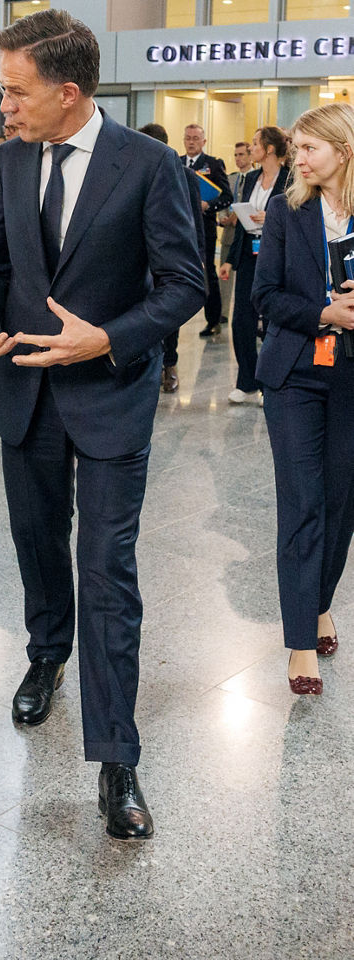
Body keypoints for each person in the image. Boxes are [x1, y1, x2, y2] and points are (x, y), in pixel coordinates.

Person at [0, 9, 204, 840]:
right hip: (25, 390)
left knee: (108, 572)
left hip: (109, 395)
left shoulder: (149, 166)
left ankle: (116, 757)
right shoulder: (8, 161)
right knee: (36, 541)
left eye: (15, 91)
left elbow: (185, 285)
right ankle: (45, 652)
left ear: (68, 94)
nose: (5, 107)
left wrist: (108, 337)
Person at [252, 102, 354, 697]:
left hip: (349, 379)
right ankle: (299, 643)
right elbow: (265, 296)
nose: (299, 157)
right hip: (293, 374)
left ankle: (318, 606)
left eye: (310, 146)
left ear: (343, 149)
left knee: (340, 505)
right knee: (301, 504)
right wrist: (324, 310)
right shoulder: (286, 212)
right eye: (296, 146)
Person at [218, 127, 289, 404]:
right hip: (249, 253)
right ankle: (246, 380)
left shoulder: (290, 178)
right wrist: (228, 261)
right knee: (241, 321)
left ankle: (270, 384)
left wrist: (269, 218)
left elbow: (294, 215)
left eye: (256, 143)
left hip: (277, 254)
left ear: (269, 149)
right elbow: (241, 220)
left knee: (273, 319)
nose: (251, 147)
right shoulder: (249, 179)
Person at [137, 122, 204, 394]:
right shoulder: (134, 173)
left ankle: (170, 364)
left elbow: (193, 220)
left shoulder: (184, 175)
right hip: (139, 258)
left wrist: (197, 256)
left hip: (169, 257)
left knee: (168, 313)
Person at [181, 123, 232, 335]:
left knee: (208, 273)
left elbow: (226, 196)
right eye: (188, 138)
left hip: (205, 227)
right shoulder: (176, 162)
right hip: (182, 227)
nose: (191, 142)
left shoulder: (212, 164)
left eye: (195, 138)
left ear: (204, 141)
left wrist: (208, 205)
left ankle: (213, 320)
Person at [218, 141, 253, 319]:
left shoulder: (255, 178)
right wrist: (223, 217)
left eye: (242, 154)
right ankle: (222, 313)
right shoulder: (232, 178)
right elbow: (224, 200)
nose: (238, 159)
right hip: (229, 234)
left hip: (247, 236)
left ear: (250, 156)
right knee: (224, 276)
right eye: (236, 155)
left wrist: (238, 216)